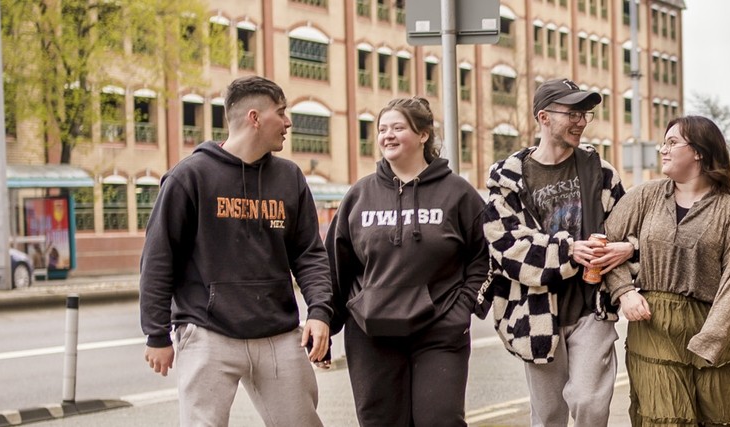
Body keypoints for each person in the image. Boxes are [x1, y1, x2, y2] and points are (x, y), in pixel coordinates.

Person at [138, 76, 334, 427]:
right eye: (282, 112)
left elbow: (309, 254)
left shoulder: (290, 178)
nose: (288, 122)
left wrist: (319, 312)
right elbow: (158, 258)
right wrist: (156, 334)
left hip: (277, 334)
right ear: (255, 118)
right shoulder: (190, 176)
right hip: (208, 333)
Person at [478, 78, 633, 427]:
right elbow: (505, 246)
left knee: (588, 401)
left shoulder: (601, 173)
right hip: (534, 313)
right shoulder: (508, 178)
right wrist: (567, 252)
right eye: (573, 113)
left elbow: (627, 227)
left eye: (585, 114)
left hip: (590, 306)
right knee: (548, 416)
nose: (581, 121)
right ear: (543, 117)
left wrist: (627, 248)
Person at [327, 97, 489, 426]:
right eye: (382, 129)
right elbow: (336, 265)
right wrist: (325, 323)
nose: (388, 135)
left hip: (439, 330)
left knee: (440, 420)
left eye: (398, 128)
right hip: (372, 332)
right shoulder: (359, 195)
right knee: (380, 422)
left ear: (423, 135)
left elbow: (483, 258)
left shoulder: (457, 193)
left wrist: (463, 307)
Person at [602, 116, 730, 426]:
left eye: (672, 142)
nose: (663, 149)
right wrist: (624, 292)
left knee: (723, 416)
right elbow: (605, 244)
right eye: (664, 142)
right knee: (664, 417)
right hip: (654, 325)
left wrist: (711, 339)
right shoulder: (645, 195)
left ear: (699, 151)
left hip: (714, 325)